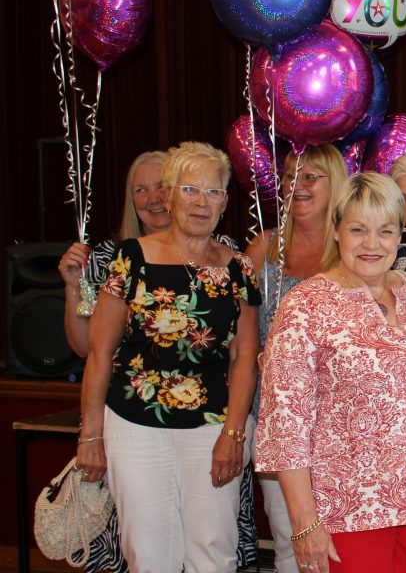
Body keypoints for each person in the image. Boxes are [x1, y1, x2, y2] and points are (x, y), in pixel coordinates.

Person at [256, 173, 406, 573]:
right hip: (349, 513)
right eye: (358, 230)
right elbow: (285, 424)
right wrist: (303, 523)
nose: (371, 244)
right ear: (337, 231)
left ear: (400, 234)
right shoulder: (305, 305)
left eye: (385, 231)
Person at [77, 141, 260, 573]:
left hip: (213, 428)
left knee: (213, 553)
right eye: (190, 189)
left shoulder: (239, 269)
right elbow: (100, 352)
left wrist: (234, 434)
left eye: (213, 192)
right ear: (171, 194)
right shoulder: (131, 258)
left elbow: (245, 356)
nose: (201, 201)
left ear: (225, 202)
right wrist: (90, 435)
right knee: (147, 552)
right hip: (135, 426)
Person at [246, 143, 348, 573]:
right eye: (290, 176)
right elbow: (244, 337)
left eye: (310, 177)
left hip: (341, 426)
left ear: (336, 184)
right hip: (279, 424)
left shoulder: (351, 248)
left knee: (342, 545)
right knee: (291, 544)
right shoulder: (263, 248)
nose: (297, 186)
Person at [59, 150, 170, 357]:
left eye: (162, 186)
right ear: (132, 200)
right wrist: (73, 286)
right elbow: (84, 348)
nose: (153, 198)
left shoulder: (214, 255)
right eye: (141, 190)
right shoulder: (106, 257)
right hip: (127, 386)